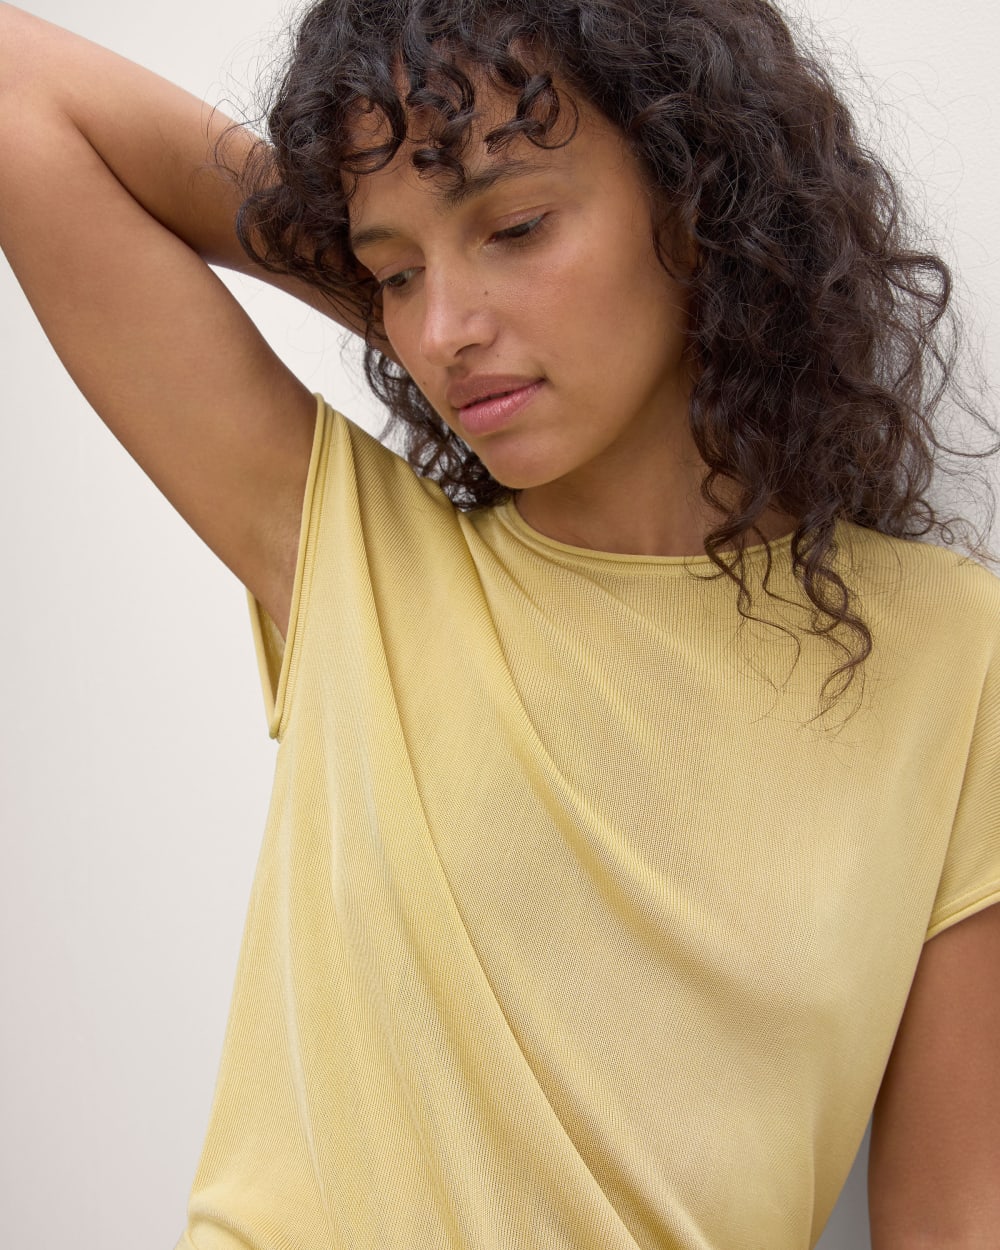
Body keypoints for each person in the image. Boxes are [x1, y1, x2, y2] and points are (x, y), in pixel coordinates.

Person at [1, 0, 998, 1246]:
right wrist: (405, 268)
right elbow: (18, 86)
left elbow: (952, 1219)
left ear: (699, 204)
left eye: (517, 227)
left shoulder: (951, 654)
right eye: (394, 273)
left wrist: (463, 265)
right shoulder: (357, 562)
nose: (439, 332)